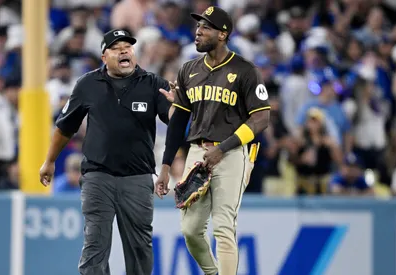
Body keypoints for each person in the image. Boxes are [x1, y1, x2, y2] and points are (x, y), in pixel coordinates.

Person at [39, 29, 174, 275]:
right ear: (104, 57)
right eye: (116, 47)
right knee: (95, 246)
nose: (124, 50)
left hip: (138, 176)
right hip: (97, 176)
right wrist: (49, 161)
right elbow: (65, 127)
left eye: (128, 46)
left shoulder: (154, 84)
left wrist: (179, 107)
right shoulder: (88, 84)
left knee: (140, 248)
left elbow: (174, 123)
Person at [155, 6, 271, 275]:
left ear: (223, 34)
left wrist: (225, 147)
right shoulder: (189, 70)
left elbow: (261, 120)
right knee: (190, 230)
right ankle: (212, 272)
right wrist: (164, 167)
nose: (198, 32)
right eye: (198, 26)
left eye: (205, 27)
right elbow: (178, 122)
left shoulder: (245, 70)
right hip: (197, 153)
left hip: (232, 154)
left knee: (223, 227)